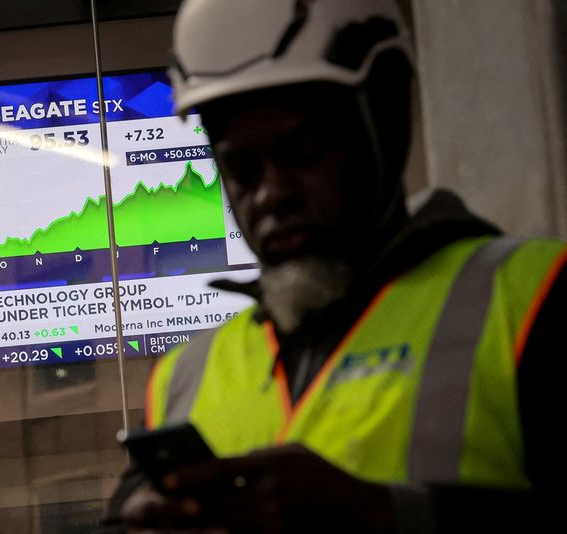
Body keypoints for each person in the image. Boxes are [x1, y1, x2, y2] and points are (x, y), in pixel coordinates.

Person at [104, 0, 566, 532]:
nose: (273, 194)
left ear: (386, 123)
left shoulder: (534, 298)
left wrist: (390, 514)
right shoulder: (182, 380)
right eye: (242, 169)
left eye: (305, 150)